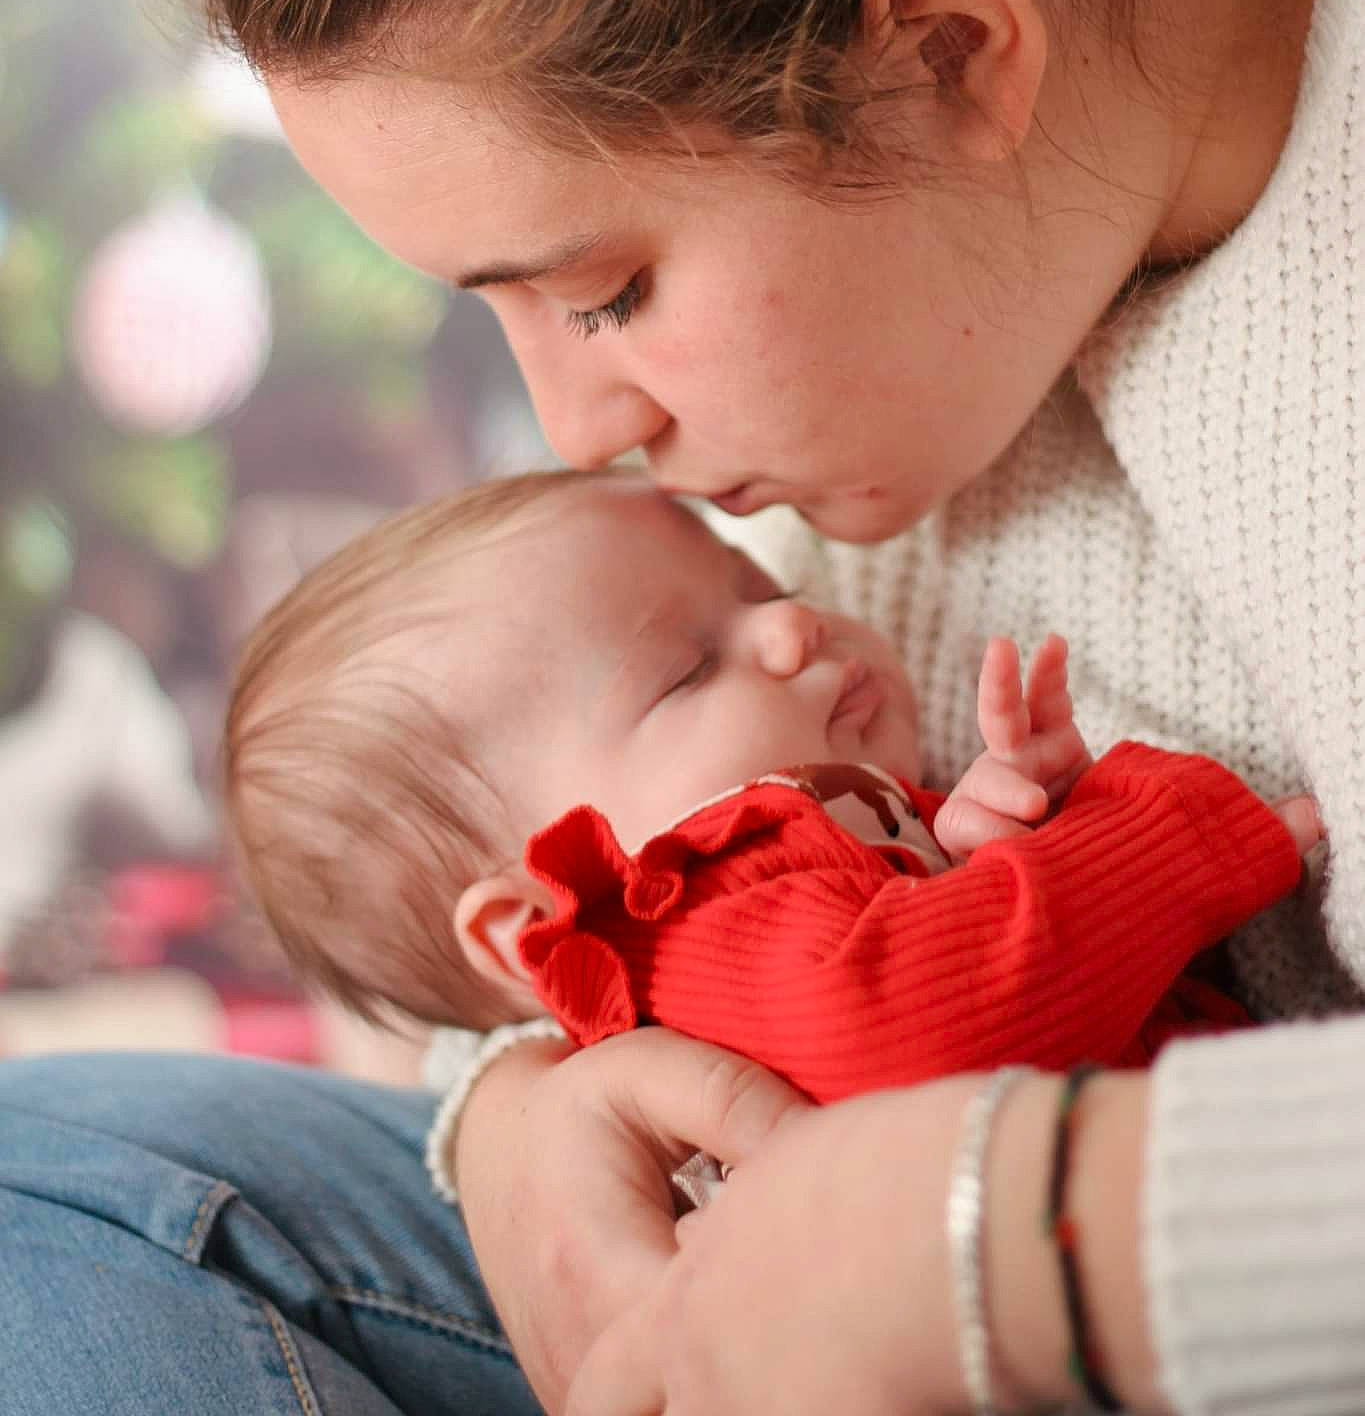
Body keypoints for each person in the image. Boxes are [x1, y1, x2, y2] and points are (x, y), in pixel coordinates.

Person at [1, 0, 1363, 1408]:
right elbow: (629, 833)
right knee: (53, 1188)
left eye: (607, 287)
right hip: (864, 1221)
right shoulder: (991, 214)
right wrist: (533, 1116)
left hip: (1158, 1279)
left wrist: (1019, 1239)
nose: (575, 430)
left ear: (945, 53)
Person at [223, 466, 1319, 1101]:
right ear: (541, 921)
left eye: (760, 581)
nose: (792, 623)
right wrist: (1163, 836)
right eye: (689, 666)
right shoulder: (687, 918)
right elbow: (932, 1015)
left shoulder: (773, 898)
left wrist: (982, 849)